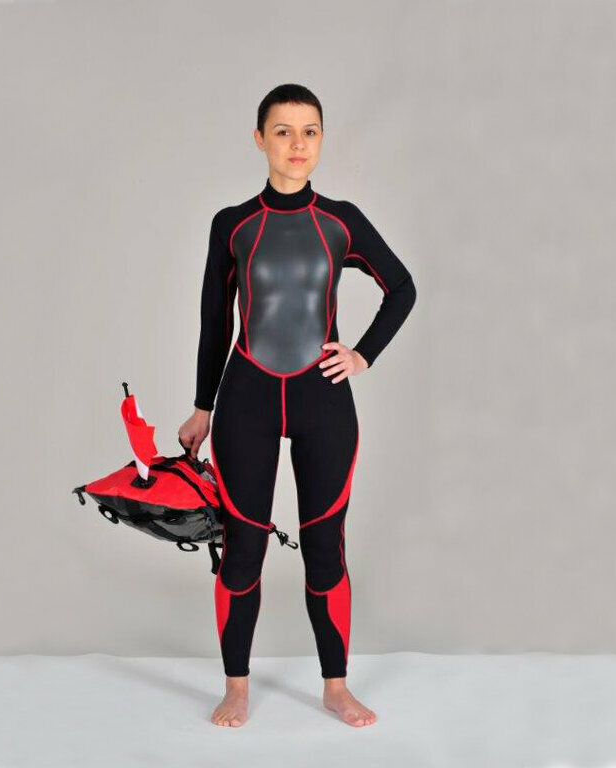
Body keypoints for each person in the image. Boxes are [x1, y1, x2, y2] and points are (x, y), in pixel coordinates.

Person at [178, 84, 417, 728]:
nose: (297, 144)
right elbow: (213, 324)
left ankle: (336, 687)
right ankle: (236, 688)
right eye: (283, 131)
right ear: (260, 139)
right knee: (243, 549)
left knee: (325, 547)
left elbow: (401, 287)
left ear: (322, 139)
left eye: (310, 131)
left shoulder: (341, 220)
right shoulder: (233, 224)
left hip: (323, 402)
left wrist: (362, 355)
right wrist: (202, 407)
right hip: (246, 400)